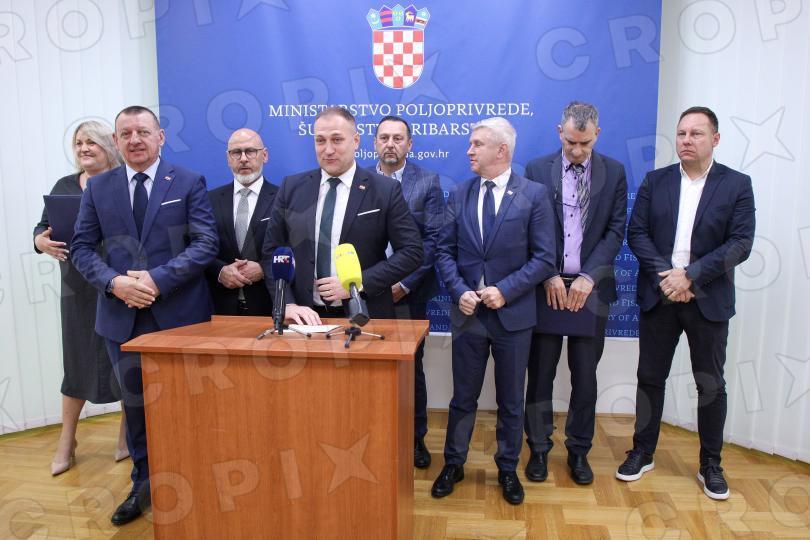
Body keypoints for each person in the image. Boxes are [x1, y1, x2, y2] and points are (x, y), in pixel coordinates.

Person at [71, 105, 219, 525]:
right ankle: (143, 484)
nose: (135, 139)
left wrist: (156, 279)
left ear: (160, 136)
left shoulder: (187, 181)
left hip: (180, 318)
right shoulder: (98, 188)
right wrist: (115, 283)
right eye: (126, 133)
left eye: (143, 131)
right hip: (122, 318)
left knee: (190, 405)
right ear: (116, 141)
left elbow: (205, 243)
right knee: (136, 408)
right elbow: (81, 247)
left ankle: (198, 479)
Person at [616, 106, 755, 500]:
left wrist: (690, 275)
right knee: (650, 377)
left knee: (710, 384)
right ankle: (642, 452)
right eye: (681, 134)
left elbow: (741, 243)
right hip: (660, 293)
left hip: (707, 298)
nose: (687, 140)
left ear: (715, 139)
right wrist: (669, 276)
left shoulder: (737, 184)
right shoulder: (656, 181)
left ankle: (711, 463)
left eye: (696, 133)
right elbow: (637, 233)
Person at [432, 117, 555, 505]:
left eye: (477, 144)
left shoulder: (534, 195)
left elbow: (544, 258)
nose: (469, 150)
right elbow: (444, 251)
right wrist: (459, 292)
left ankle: (507, 469)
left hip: (513, 317)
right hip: (468, 315)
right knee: (462, 398)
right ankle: (454, 463)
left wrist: (505, 290)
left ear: (501, 150)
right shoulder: (460, 193)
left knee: (511, 400)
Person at [523, 102, 627, 485]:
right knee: (541, 374)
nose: (577, 150)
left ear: (597, 134)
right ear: (559, 132)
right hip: (546, 286)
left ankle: (579, 451)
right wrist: (548, 273)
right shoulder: (537, 169)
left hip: (591, 290)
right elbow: (532, 228)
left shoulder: (614, 172)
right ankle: (538, 448)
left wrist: (588, 277)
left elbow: (615, 230)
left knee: (585, 376)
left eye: (585, 143)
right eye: (570, 142)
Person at [262, 106, 422, 324]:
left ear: (355, 141)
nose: (328, 150)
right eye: (320, 141)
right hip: (304, 319)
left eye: (337, 140)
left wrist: (357, 283)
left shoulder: (384, 190)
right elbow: (272, 251)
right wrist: (286, 303)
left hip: (366, 315)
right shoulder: (291, 188)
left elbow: (412, 252)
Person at [33, 121, 129, 475]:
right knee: (76, 363)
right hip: (77, 289)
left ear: (108, 146)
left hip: (119, 285)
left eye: (92, 142)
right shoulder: (63, 186)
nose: (84, 148)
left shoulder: (125, 184)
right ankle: (67, 440)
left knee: (123, 362)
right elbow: (42, 228)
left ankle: (126, 436)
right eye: (78, 143)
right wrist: (40, 241)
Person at [369, 115, 444, 469]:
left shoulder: (427, 182)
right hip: (366, 293)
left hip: (408, 293)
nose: (390, 144)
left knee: (410, 368)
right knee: (368, 366)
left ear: (409, 144)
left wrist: (404, 283)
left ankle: (415, 439)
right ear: (374, 143)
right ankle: (374, 434)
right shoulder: (360, 180)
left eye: (398, 138)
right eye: (384, 137)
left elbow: (433, 240)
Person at [206, 129, 278, 315]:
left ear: (264, 155)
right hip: (220, 309)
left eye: (250, 151)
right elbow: (197, 247)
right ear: (228, 158)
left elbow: (294, 249)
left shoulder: (282, 198)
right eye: (236, 152)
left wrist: (264, 268)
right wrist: (220, 271)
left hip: (269, 307)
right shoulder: (209, 200)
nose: (243, 158)